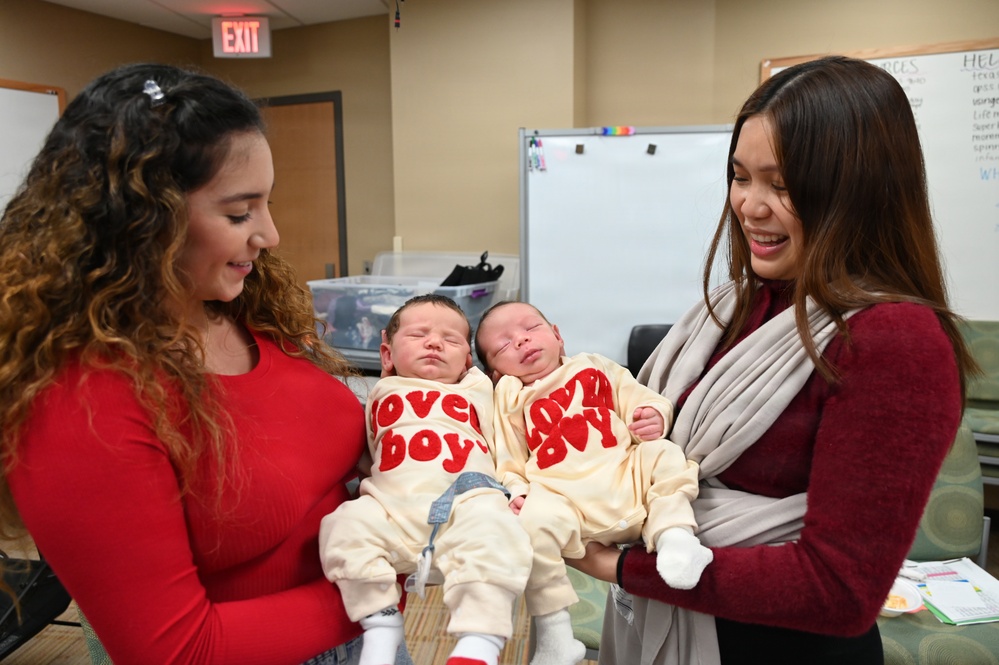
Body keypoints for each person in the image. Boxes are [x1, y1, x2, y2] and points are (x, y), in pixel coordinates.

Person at [568, 56, 975, 665]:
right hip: (682, 616)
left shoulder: (895, 340)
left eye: (782, 185)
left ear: (858, 191)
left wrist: (622, 565)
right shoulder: (741, 303)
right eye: (740, 177)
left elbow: (839, 589)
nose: (750, 206)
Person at [0, 63, 412, 665]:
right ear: (141, 222)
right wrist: (386, 591)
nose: (269, 234)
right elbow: (174, 650)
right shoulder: (81, 400)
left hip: (364, 627)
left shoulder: (243, 306)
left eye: (267, 204)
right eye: (240, 213)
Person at [474, 301, 713, 665]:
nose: (521, 341)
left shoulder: (594, 366)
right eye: (504, 345)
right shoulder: (508, 397)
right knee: (530, 524)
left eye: (530, 328)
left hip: (624, 476)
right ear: (494, 372)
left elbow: (641, 398)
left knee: (664, 456)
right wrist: (518, 492)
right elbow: (508, 458)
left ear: (557, 335)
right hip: (565, 499)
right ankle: (555, 634)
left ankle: (674, 537)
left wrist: (655, 416)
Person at [319, 294, 532, 665]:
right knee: (342, 526)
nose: (435, 342)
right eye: (419, 335)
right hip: (391, 503)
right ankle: (381, 624)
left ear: (467, 360)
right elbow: (367, 456)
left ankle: (479, 642)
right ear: (387, 355)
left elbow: (508, 441)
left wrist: (517, 488)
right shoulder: (379, 391)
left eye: (451, 340)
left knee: (501, 533)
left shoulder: (478, 389)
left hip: (466, 499)